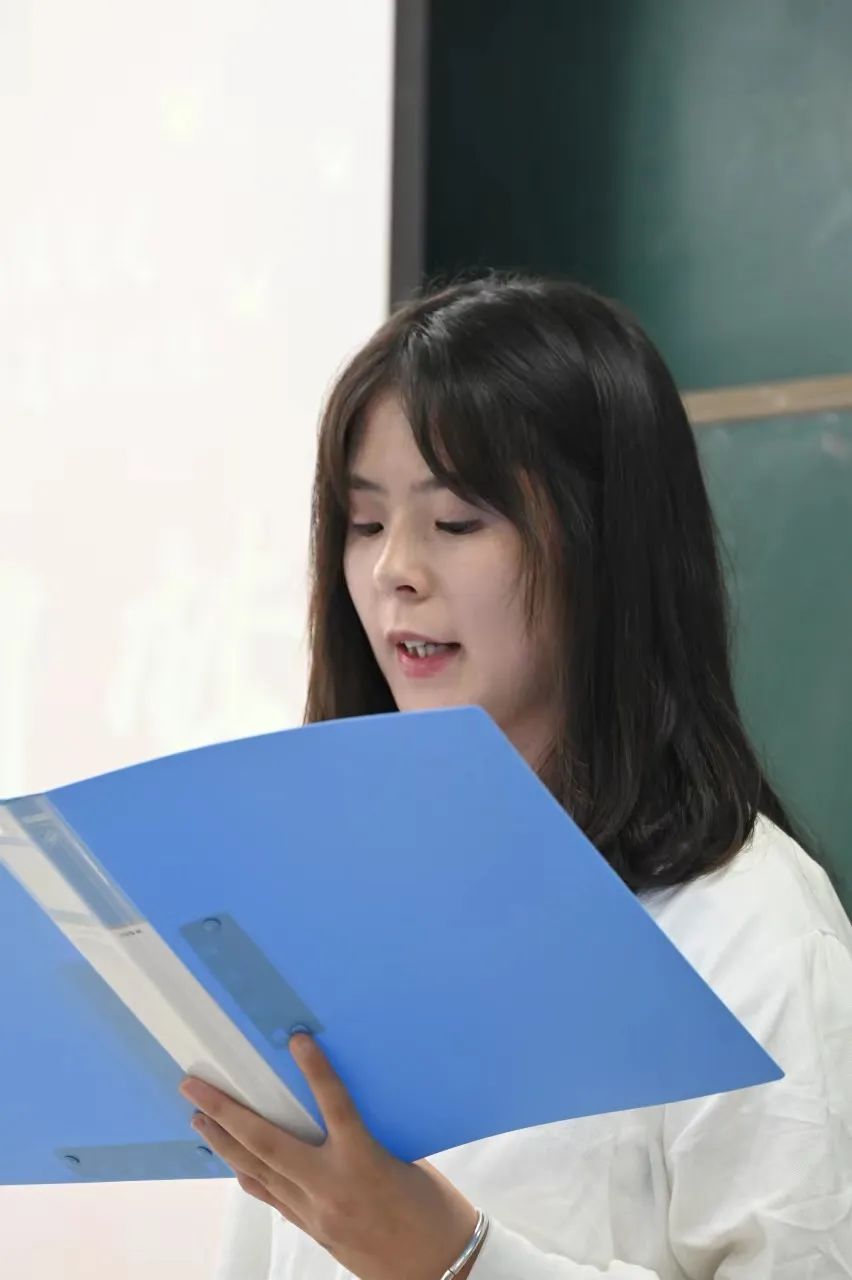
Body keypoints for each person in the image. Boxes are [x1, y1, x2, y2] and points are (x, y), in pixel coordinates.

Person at [190, 276, 852, 1279]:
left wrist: (455, 1260)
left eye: (457, 521)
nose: (395, 570)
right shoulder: (339, 906)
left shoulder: (749, 929)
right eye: (365, 524)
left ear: (606, 545)